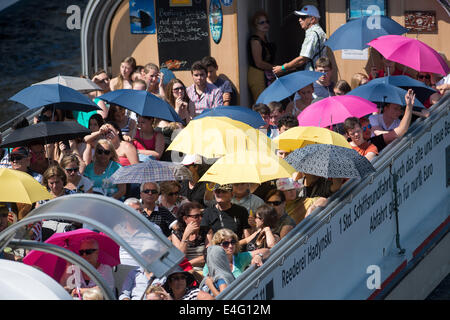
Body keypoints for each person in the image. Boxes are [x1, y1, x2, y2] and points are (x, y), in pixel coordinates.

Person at [273, 5, 327, 74]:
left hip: (313, 76)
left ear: (312, 19)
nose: (299, 20)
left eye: (303, 17)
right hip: (318, 74)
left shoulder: (312, 34)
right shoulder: (319, 31)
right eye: (299, 17)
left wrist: (283, 68)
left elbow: (302, 59)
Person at [203, 228, 270, 279]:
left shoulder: (239, 257)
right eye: (225, 244)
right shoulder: (211, 264)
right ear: (217, 246)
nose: (230, 246)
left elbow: (267, 251)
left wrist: (258, 256)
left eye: (233, 242)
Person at [248, 10, 276, 103]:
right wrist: (275, 68)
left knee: (269, 102)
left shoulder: (264, 38)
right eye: (262, 22)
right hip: (257, 74)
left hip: (267, 73)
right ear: (255, 25)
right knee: (261, 103)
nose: (266, 24)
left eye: (267, 21)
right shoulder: (255, 40)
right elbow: (259, 63)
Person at [171, 201, 209, 272]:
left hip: (204, 270)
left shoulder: (207, 231)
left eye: (201, 215)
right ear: (185, 218)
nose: (200, 218)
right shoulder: (177, 234)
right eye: (196, 217)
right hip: (184, 271)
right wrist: (186, 235)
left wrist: (188, 264)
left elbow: (209, 256)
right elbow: (180, 258)